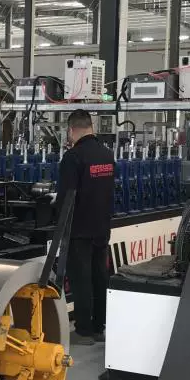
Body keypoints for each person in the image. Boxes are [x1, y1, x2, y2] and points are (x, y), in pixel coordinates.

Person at [58, 110, 115, 346]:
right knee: (100, 277)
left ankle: (83, 331)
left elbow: (66, 197)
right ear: (91, 127)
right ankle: (99, 327)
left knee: (81, 280)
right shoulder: (107, 155)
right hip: (102, 227)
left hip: (79, 229)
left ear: (71, 130)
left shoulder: (73, 157)